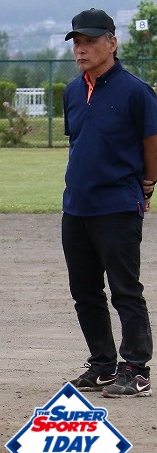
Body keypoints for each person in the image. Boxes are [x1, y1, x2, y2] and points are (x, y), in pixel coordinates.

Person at [63, 8, 157, 398]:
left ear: (112, 43)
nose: (81, 49)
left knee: (124, 290)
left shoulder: (135, 91)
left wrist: (149, 182)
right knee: (84, 291)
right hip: (77, 206)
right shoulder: (72, 90)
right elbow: (78, 141)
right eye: (77, 42)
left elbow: (152, 141)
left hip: (117, 204)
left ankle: (135, 369)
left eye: (90, 42)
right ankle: (102, 365)